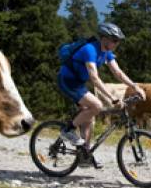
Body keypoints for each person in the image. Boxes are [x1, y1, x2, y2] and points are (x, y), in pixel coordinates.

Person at [57, 22, 146, 166]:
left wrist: (135, 86)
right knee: (96, 106)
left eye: (118, 41)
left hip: (79, 83)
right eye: (115, 40)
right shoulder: (90, 50)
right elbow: (94, 78)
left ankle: (84, 155)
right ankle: (68, 130)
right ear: (105, 39)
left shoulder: (107, 52)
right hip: (67, 81)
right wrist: (112, 98)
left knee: (89, 117)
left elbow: (118, 73)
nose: (117, 43)